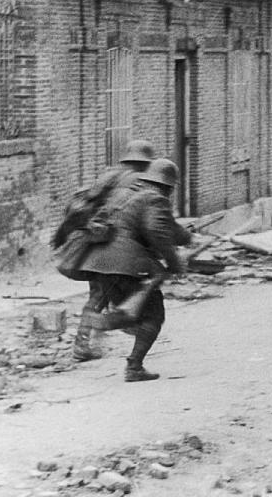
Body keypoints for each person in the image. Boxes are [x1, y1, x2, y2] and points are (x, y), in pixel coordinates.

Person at [59, 159, 186, 382]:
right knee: (154, 316)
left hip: (100, 263)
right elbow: (156, 230)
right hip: (126, 264)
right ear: (168, 185)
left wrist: (186, 236)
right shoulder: (155, 198)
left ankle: (106, 321)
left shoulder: (126, 194)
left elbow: (165, 227)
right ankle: (133, 365)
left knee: (131, 309)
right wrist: (175, 263)